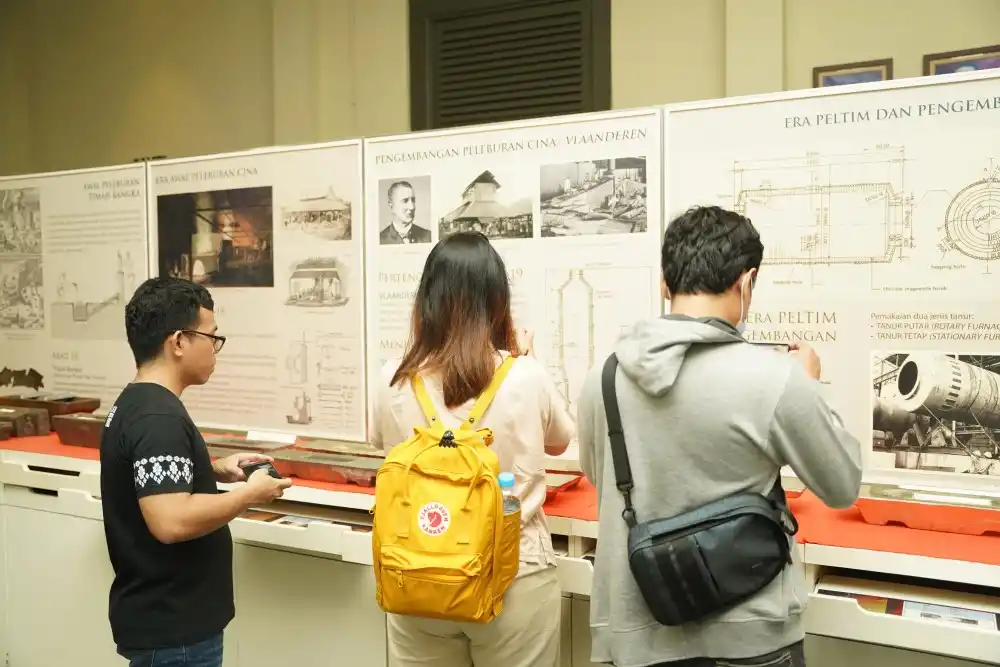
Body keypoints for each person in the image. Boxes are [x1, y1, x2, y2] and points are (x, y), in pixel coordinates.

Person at [576, 206, 862, 667]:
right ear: (745, 284)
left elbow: (601, 474)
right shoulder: (777, 379)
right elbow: (842, 485)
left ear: (665, 285)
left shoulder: (603, 377)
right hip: (750, 637)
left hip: (635, 638)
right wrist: (809, 385)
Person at [372, 231, 574, 667]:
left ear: (426, 300)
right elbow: (560, 438)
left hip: (416, 570)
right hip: (512, 573)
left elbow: (380, 441)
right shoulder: (525, 375)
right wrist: (526, 357)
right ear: (497, 301)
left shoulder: (392, 376)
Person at [100, 277, 291, 667]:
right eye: (211, 337)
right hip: (176, 633)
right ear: (179, 342)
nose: (215, 349)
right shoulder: (157, 417)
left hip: (167, 622)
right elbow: (170, 521)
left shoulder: (139, 403)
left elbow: (151, 483)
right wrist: (249, 495)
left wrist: (214, 470)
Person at [379, 179, 432, 244]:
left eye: (413, 200)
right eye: (405, 201)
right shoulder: (380, 240)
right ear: (391, 204)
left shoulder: (429, 237)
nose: (411, 207)